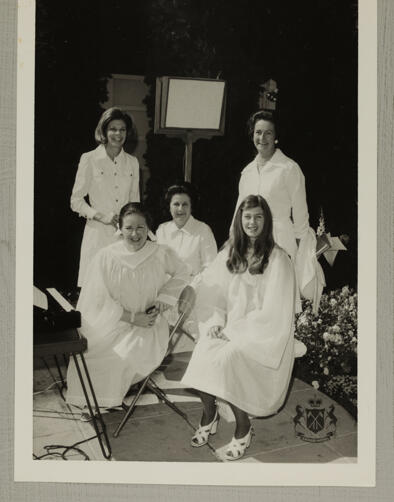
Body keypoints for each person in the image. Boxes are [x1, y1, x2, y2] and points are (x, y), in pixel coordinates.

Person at [182, 195, 296, 461]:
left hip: (263, 337)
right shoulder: (232, 252)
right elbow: (214, 292)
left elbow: (273, 313)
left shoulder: (278, 259)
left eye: (258, 216)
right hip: (230, 329)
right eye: (247, 217)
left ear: (266, 220)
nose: (252, 222)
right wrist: (216, 323)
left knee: (228, 359)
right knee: (203, 351)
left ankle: (243, 427)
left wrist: (233, 333)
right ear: (239, 220)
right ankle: (209, 415)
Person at [66, 203, 191, 410]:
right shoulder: (106, 256)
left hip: (148, 327)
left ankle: (107, 401)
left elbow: (183, 272)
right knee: (89, 354)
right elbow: (97, 299)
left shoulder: (160, 253)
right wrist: (131, 317)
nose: (134, 234)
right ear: (120, 229)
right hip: (115, 322)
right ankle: (94, 402)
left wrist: (165, 297)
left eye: (140, 227)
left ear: (148, 228)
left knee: (120, 358)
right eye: (129, 228)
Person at [232, 110, 324, 312]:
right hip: (249, 244)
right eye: (258, 132)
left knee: (277, 306)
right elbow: (238, 214)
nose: (262, 138)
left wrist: (296, 255)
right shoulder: (247, 171)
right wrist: (233, 242)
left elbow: (301, 217)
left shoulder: (289, 169)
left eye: (268, 133)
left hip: (280, 241)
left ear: (276, 137)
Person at [70, 107, 140, 287]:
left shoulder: (132, 162)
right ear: (104, 131)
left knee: (122, 292)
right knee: (96, 293)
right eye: (113, 129)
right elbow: (76, 201)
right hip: (97, 236)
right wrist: (101, 216)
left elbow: (135, 203)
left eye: (122, 129)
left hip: (123, 239)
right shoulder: (89, 159)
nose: (118, 134)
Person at [156, 183, 217, 348]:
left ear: (191, 207)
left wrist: (192, 287)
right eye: (176, 204)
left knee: (198, 327)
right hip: (167, 289)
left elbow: (211, 268)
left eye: (185, 204)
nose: (180, 209)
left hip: (194, 288)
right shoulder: (162, 230)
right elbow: (157, 264)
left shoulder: (203, 230)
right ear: (169, 207)